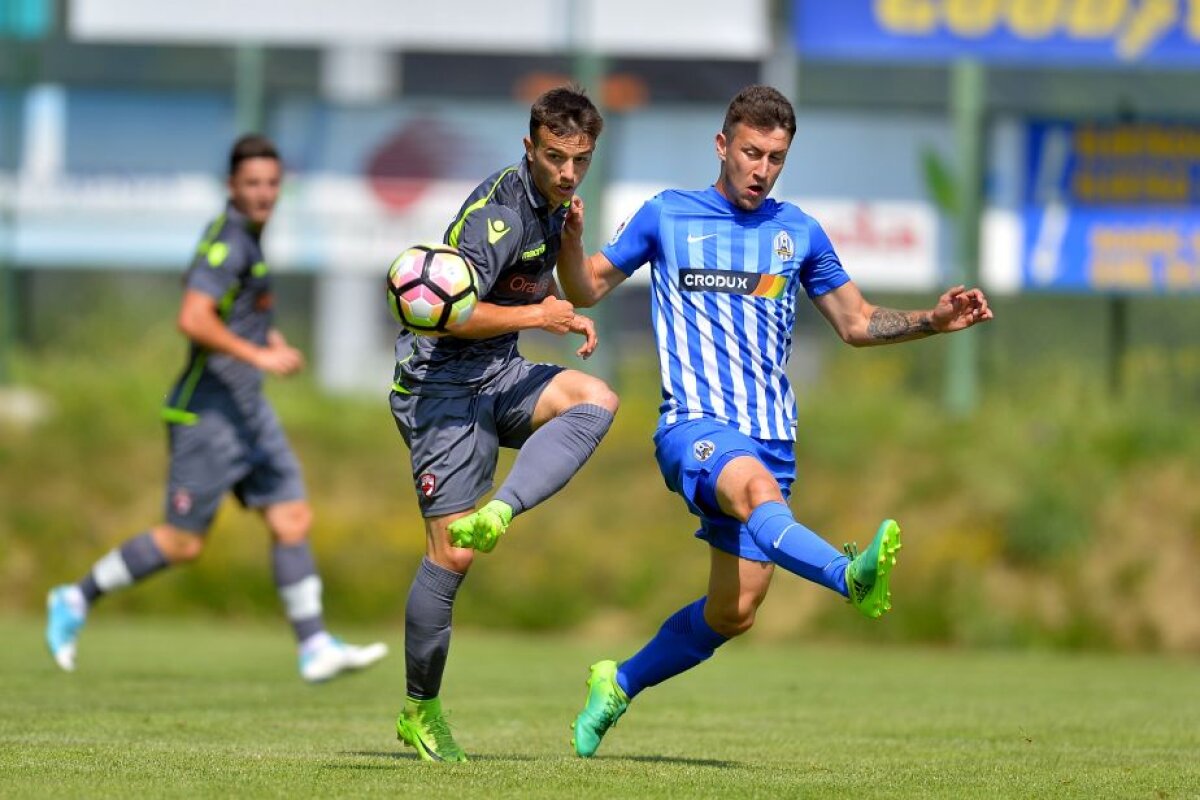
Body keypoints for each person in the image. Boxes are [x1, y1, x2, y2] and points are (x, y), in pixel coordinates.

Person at [555, 85, 994, 757]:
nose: (762, 169)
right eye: (751, 152)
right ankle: (848, 576)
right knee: (756, 490)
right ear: (722, 145)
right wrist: (572, 239)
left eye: (776, 158)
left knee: (734, 611)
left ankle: (618, 682)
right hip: (694, 427)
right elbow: (584, 286)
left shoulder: (800, 233)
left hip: (772, 436)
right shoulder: (667, 215)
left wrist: (933, 321)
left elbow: (856, 321)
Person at [45, 134, 388, 683]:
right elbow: (193, 317)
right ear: (231, 186)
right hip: (207, 414)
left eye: (271, 183)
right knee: (182, 542)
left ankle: (314, 646)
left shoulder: (247, 239)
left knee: (291, 516)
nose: (263, 193)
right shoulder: (229, 241)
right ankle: (74, 598)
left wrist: (266, 339)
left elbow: (232, 313)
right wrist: (258, 354)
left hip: (248, 408)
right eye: (252, 183)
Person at [389, 85, 618, 762]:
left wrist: (572, 245)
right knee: (450, 558)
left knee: (594, 398)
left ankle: (502, 509)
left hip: (499, 374)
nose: (568, 172)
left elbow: (572, 289)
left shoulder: (556, 205)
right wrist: (538, 316)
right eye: (555, 158)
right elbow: (449, 316)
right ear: (529, 147)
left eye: (580, 160)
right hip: (442, 389)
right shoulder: (499, 216)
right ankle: (419, 710)